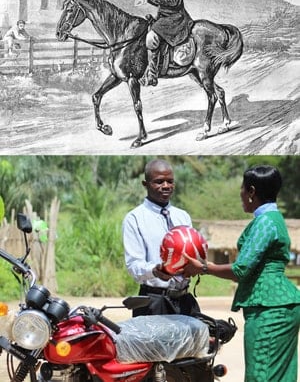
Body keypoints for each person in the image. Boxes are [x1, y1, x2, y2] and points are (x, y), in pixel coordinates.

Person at [182, 165, 300, 382]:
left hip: (269, 308)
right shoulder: (274, 219)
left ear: (252, 191)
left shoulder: (265, 222)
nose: (241, 194)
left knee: (260, 374)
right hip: (282, 305)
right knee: (281, 376)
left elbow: (241, 269)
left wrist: (204, 268)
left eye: (243, 189)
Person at [122, 158, 200, 317]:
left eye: (170, 181)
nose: (165, 186)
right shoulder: (135, 218)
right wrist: (155, 271)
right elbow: (134, 265)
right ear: (145, 184)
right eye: (159, 182)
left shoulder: (183, 216)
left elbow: (191, 251)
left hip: (184, 299)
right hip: (153, 301)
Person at [135, 0, 193, 87]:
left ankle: (152, 75)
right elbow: (160, 2)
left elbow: (175, 1)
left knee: (151, 38)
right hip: (164, 17)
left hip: (176, 18)